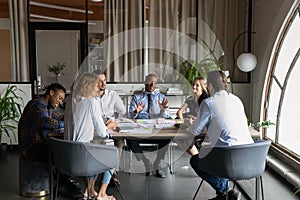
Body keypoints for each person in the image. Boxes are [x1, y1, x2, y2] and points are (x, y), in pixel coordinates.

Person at [186, 70, 254, 200]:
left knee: (195, 160)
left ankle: (225, 191)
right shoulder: (236, 99)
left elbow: (195, 131)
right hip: (250, 158)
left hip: (227, 158)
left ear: (210, 85)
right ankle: (225, 195)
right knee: (219, 148)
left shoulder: (209, 102)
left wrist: (189, 123)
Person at [64, 73, 117, 200]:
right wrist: (109, 126)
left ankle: (90, 191)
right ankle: (102, 194)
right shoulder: (91, 102)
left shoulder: (70, 100)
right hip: (82, 157)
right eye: (97, 86)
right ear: (90, 86)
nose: (99, 89)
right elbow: (102, 133)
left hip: (66, 157)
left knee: (96, 148)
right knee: (112, 153)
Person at [128, 74, 170, 178]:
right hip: (141, 129)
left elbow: (167, 116)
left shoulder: (161, 97)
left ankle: (157, 163)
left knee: (168, 137)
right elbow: (130, 116)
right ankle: (145, 162)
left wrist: (163, 110)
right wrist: (136, 111)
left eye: (155, 82)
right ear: (145, 82)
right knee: (129, 139)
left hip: (156, 129)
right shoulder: (137, 98)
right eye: (150, 82)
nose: (152, 84)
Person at [18, 83, 66, 162]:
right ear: (51, 93)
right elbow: (44, 121)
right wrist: (67, 124)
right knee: (64, 154)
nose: (60, 102)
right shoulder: (36, 104)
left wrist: (71, 118)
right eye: (59, 98)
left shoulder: (48, 107)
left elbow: (59, 116)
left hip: (40, 144)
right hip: (31, 148)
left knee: (64, 152)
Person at [94, 70, 126, 185]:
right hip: (96, 129)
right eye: (100, 81)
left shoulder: (112, 95)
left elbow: (123, 112)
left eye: (105, 80)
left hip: (111, 127)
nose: (103, 84)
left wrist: (114, 121)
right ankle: (96, 171)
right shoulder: (90, 97)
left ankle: (114, 172)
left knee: (119, 141)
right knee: (96, 141)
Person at [175, 77, 208, 156]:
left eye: (197, 85)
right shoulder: (190, 99)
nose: (194, 87)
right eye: (193, 85)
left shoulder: (206, 99)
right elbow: (179, 112)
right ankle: (195, 153)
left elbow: (206, 117)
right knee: (176, 126)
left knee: (181, 137)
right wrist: (183, 122)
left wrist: (194, 120)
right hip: (190, 122)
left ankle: (194, 154)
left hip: (201, 123)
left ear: (202, 88)